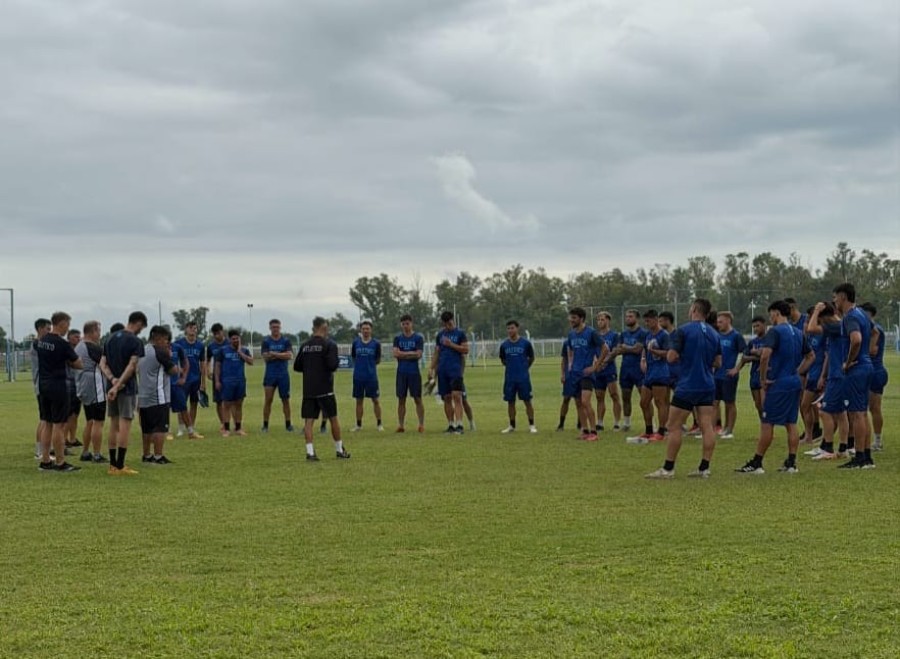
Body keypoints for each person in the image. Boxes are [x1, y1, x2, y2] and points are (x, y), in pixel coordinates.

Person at [646, 299, 721, 479]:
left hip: (688, 384)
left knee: (673, 426)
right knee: (706, 425)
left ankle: (668, 468)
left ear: (694, 309)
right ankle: (704, 467)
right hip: (708, 384)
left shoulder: (684, 330)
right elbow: (718, 362)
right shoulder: (714, 333)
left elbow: (671, 357)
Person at [736, 300, 813, 474]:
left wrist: (763, 379)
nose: (770, 317)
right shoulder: (799, 332)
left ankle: (757, 462)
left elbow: (765, 356)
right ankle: (792, 463)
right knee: (790, 422)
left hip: (778, 382)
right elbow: (811, 356)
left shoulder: (775, 332)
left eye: (771, 314)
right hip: (794, 382)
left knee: (767, 422)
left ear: (776, 313)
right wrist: (797, 371)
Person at [293, 316, 351, 460]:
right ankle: (339, 450)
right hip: (325, 388)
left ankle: (310, 452)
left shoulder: (305, 345)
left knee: (309, 421)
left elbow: (297, 366)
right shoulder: (329, 344)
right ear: (324, 328)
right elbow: (332, 365)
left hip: (309, 389)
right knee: (333, 418)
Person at [830, 283, 875, 469]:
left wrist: (848, 362)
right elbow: (874, 331)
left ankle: (859, 457)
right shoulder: (862, 314)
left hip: (856, 369)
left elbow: (856, 339)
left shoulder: (850, 317)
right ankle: (866, 457)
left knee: (856, 414)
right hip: (866, 366)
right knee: (862, 413)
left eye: (835, 297)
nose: (834, 301)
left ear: (842, 297)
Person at [100, 311, 147, 475]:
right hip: (126, 388)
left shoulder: (109, 338)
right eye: (142, 327)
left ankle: (112, 465)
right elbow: (132, 365)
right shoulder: (135, 341)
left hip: (111, 386)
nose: (141, 330)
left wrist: (112, 380)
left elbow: (102, 363)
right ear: (139, 323)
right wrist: (119, 383)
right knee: (125, 424)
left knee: (113, 424)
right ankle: (120, 465)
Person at [36, 311, 84, 472]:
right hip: (58, 386)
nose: (67, 328)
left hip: (43, 385)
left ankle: (45, 460)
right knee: (59, 425)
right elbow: (78, 364)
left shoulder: (42, 341)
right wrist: (69, 362)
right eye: (67, 324)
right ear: (62, 323)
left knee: (47, 423)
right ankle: (60, 461)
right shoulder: (62, 343)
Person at [805, 302, 850, 460]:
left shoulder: (834, 326)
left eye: (820, 319)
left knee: (824, 411)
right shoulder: (838, 326)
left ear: (826, 317)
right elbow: (829, 354)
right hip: (836, 374)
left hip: (838, 375)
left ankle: (828, 448)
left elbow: (810, 328)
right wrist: (824, 375)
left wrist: (816, 310)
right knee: (840, 412)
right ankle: (843, 448)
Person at [138, 326, 180, 465]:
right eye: (166, 340)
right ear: (158, 338)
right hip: (158, 395)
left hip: (144, 395)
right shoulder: (160, 352)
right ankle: (158, 456)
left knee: (147, 428)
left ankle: (146, 455)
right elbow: (173, 370)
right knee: (160, 427)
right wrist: (173, 360)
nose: (167, 343)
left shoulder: (143, 350)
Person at [565, 307, 606, 441]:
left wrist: (595, 366)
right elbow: (570, 349)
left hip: (586, 373)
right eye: (571, 317)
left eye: (574, 318)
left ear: (581, 319)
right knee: (578, 403)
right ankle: (585, 430)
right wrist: (570, 364)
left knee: (585, 401)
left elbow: (605, 348)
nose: (571, 320)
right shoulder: (571, 334)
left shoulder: (591, 332)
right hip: (575, 373)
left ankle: (594, 432)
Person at [630, 310, 670, 443]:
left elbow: (669, 353)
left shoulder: (664, 335)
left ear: (656, 319)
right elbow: (644, 349)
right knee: (644, 402)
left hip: (661, 372)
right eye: (645, 321)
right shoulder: (647, 335)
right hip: (649, 372)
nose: (647, 323)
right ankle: (648, 430)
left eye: (649, 321)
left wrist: (654, 351)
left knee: (660, 402)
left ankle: (662, 431)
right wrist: (643, 359)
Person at [427, 311, 469, 434]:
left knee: (457, 396)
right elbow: (437, 353)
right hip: (442, 370)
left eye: (449, 323)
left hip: (455, 370)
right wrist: (431, 367)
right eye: (445, 324)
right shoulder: (440, 335)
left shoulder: (460, 334)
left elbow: (465, 349)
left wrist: (451, 344)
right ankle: (451, 424)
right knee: (446, 397)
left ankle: (460, 425)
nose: (447, 326)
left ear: (453, 320)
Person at [75, 320, 108, 463]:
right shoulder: (92, 348)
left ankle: (85, 451)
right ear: (93, 331)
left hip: (83, 385)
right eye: (98, 331)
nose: (99, 334)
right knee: (98, 421)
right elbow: (104, 365)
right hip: (95, 385)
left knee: (89, 420)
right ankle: (97, 454)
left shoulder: (79, 346)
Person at [499, 320, 537, 433]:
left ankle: (532, 425)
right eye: (508, 328)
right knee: (510, 402)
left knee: (527, 401)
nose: (510, 330)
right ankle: (512, 425)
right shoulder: (504, 345)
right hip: (510, 378)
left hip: (523, 378)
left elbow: (532, 358)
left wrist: (524, 368)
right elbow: (503, 359)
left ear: (517, 328)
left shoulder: (525, 343)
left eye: (512, 328)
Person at [614, 309, 648, 432]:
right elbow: (618, 350)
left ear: (637, 318)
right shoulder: (623, 334)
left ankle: (650, 424)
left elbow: (638, 350)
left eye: (630, 316)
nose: (628, 318)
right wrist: (628, 348)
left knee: (645, 399)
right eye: (627, 316)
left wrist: (625, 348)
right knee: (625, 397)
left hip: (639, 370)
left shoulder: (643, 333)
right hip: (625, 369)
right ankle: (627, 423)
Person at [860, 303, 887, 451]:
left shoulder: (876, 330)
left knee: (873, 408)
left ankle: (877, 441)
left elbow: (872, 351)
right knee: (870, 408)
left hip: (875, 372)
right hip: (873, 371)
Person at [215, 329, 253, 436]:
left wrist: (240, 352)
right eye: (233, 339)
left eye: (237, 338)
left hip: (240, 381)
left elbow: (251, 362)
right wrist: (217, 381)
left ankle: (238, 428)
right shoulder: (223, 350)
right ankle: (226, 428)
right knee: (226, 405)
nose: (235, 340)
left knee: (239, 405)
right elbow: (217, 367)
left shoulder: (244, 350)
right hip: (227, 382)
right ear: (229, 339)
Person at [715, 311, 746, 439]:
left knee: (729, 402)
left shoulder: (736, 336)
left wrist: (736, 369)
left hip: (728, 375)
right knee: (714, 402)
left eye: (721, 322)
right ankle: (718, 428)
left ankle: (729, 429)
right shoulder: (717, 336)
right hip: (716, 375)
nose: (718, 324)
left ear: (728, 321)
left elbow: (744, 354)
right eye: (717, 322)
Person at [260, 318, 295, 433]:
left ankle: (288, 424)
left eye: (277, 327)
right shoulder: (266, 341)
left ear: (280, 328)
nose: (276, 329)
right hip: (270, 374)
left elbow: (290, 356)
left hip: (283, 374)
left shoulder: (286, 341)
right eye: (273, 327)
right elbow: (265, 357)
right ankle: (265, 425)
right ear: (270, 328)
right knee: (268, 400)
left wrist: (274, 354)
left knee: (285, 400)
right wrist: (281, 355)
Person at [392, 314, 425, 432]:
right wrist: (411, 354)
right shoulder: (397, 339)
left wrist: (403, 354)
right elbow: (395, 354)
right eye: (403, 324)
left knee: (417, 398)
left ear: (412, 324)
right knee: (401, 399)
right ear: (401, 325)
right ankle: (401, 425)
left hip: (414, 372)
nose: (406, 326)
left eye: (408, 323)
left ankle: (421, 424)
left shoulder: (418, 338)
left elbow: (419, 354)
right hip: (401, 373)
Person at [172, 321, 205, 439]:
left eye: (195, 328)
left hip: (196, 378)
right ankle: (181, 428)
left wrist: (203, 382)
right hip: (183, 379)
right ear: (186, 330)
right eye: (190, 328)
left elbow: (202, 363)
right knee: (182, 404)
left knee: (194, 404)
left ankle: (191, 427)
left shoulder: (200, 345)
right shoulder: (179, 344)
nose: (192, 330)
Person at [798, 306, 825, 444]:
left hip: (817, 374)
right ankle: (811, 435)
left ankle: (812, 436)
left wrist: (822, 376)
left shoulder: (822, 333)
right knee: (808, 406)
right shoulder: (810, 335)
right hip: (811, 373)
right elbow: (807, 354)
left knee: (806, 405)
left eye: (810, 317)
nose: (808, 320)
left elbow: (827, 355)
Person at [350, 320, 383, 432]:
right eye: (363, 328)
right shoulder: (356, 343)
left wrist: (370, 366)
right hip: (358, 377)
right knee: (359, 401)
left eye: (367, 328)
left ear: (371, 330)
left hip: (371, 377)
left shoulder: (376, 344)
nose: (365, 331)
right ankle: (358, 425)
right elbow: (353, 356)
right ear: (360, 330)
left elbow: (378, 359)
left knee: (375, 400)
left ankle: (379, 424)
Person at [732, 316, 767, 420]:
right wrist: (757, 355)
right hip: (754, 377)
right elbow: (744, 357)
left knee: (765, 404)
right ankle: (763, 424)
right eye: (754, 326)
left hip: (764, 375)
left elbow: (770, 356)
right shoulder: (752, 342)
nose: (756, 328)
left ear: (764, 325)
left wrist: (757, 353)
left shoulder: (770, 339)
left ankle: (768, 428)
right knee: (758, 405)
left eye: (758, 326)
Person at [593, 311, 621, 431]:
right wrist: (596, 363)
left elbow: (614, 351)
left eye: (602, 319)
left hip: (609, 369)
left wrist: (604, 362)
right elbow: (593, 351)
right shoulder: (595, 335)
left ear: (608, 320)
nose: (600, 322)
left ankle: (616, 422)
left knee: (614, 395)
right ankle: (599, 422)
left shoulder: (614, 335)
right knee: (599, 396)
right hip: (598, 370)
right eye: (598, 319)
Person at [31, 318, 51, 459]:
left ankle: (41, 449)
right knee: (44, 419)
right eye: (47, 329)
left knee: (45, 418)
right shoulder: (38, 344)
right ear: (39, 329)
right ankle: (40, 451)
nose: (49, 331)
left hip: (42, 384)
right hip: (42, 385)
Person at [205, 323, 229, 435]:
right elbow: (208, 360)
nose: (216, 336)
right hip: (217, 376)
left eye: (218, 333)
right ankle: (223, 423)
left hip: (229, 375)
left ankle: (233, 423)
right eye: (214, 334)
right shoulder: (211, 346)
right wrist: (208, 371)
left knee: (230, 401)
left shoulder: (229, 343)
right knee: (219, 401)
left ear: (222, 332)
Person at [167, 335, 190, 440]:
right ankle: (168, 432)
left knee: (183, 407)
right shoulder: (157, 349)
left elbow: (186, 362)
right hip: (163, 385)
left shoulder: (177, 347)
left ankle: (191, 431)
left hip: (176, 384)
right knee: (164, 409)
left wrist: (183, 378)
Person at [64, 328, 83, 449]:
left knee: (75, 413)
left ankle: (72, 438)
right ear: (69, 337)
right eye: (76, 336)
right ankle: (64, 439)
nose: (78, 339)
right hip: (68, 383)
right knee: (67, 414)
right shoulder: (66, 349)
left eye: (79, 336)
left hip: (78, 383)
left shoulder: (79, 350)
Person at [557, 341, 579, 431]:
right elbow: (564, 360)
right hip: (569, 375)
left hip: (579, 374)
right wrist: (562, 374)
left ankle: (580, 424)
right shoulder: (567, 343)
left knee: (579, 401)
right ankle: (561, 424)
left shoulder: (584, 341)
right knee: (566, 399)